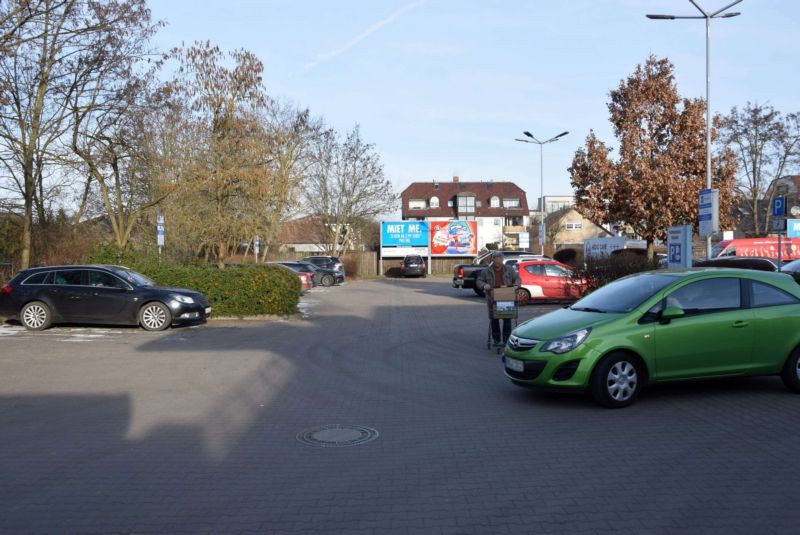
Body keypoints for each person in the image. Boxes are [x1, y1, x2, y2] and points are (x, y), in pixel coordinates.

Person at [477, 251, 521, 346]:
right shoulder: (486, 271)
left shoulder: (509, 269)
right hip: (493, 299)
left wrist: (516, 285)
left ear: (502, 260)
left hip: (506, 297)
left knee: (507, 318)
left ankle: (506, 340)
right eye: (496, 260)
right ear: (493, 260)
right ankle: (496, 340)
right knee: (494, 319)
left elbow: (517, 278)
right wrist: (484, 285)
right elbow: (479, 281)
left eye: (499, 260)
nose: (498, 262)